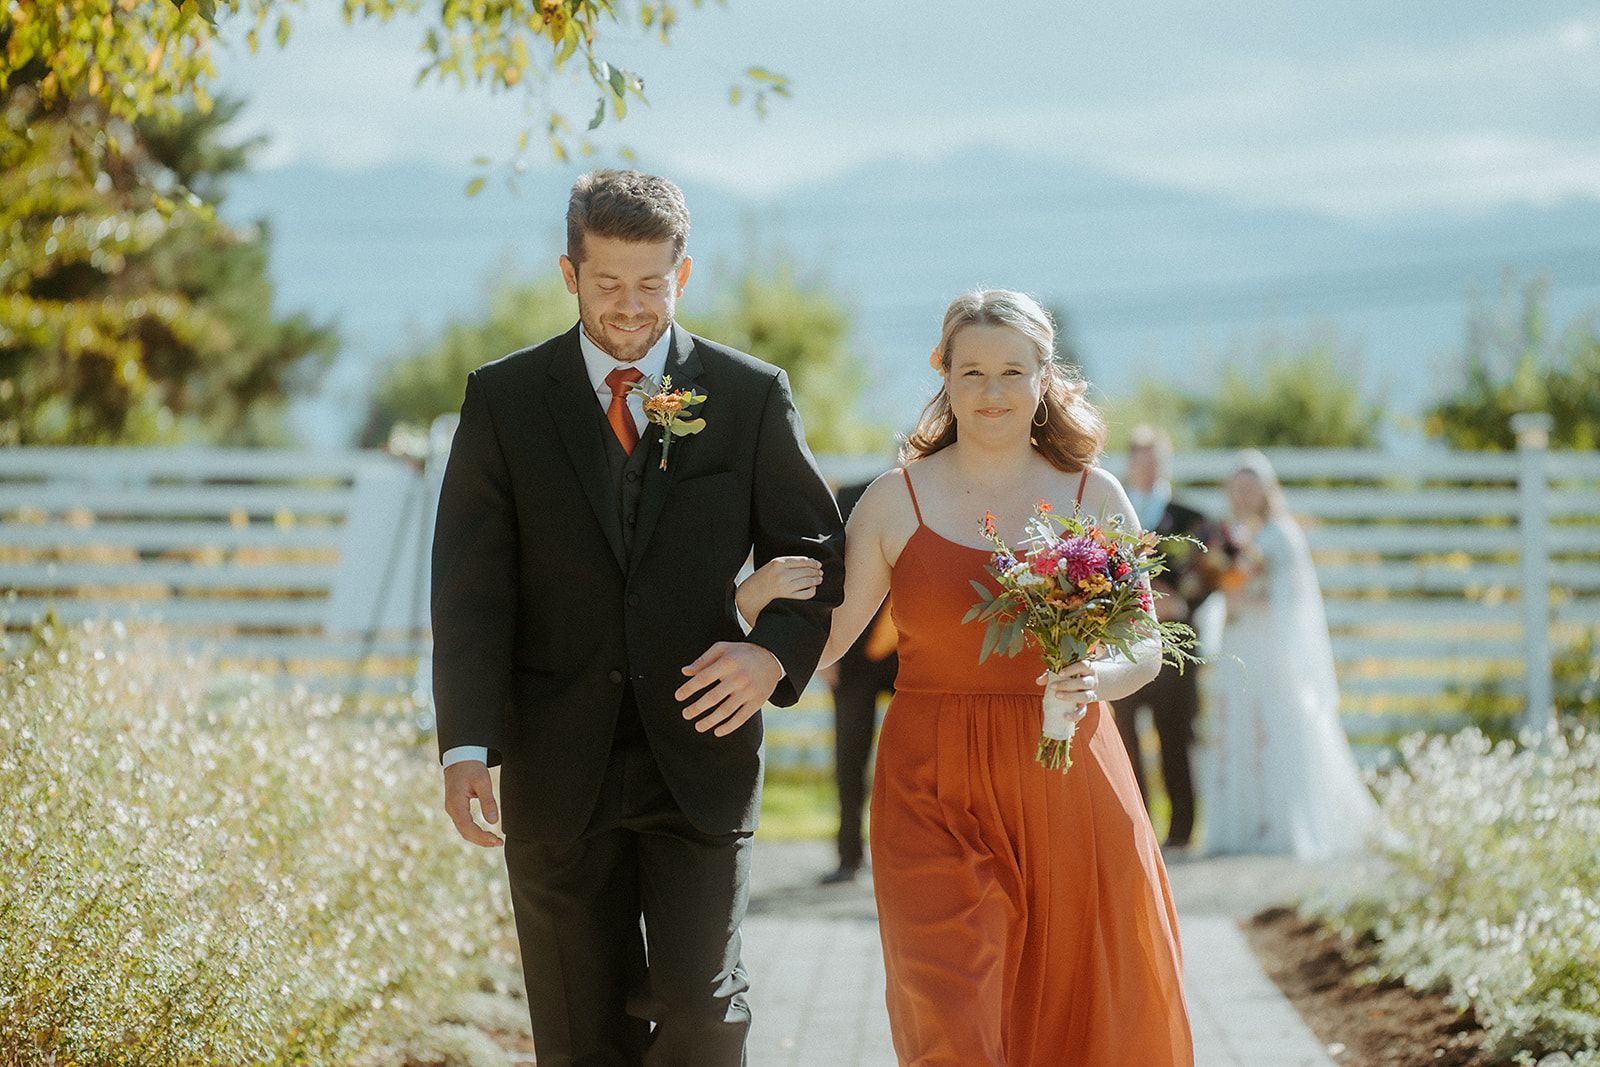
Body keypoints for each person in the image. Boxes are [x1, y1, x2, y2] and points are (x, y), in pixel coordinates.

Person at [429, 169, 845, 1066]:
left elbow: (821, 547)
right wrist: (465, 743)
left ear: (683, 276)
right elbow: (470, 589)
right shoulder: (502, 400)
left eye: (651, 282)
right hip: (553, 761)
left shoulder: (747, 394)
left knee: (703, 1006)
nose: (630, 305)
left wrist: (770, 657)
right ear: (569, 273)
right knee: (580, 1036)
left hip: (699, 751)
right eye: (608, 281)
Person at [736, 290, 1193, 1065]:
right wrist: (747, 603)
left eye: (1013, 371)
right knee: (949, 1008)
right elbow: (830, 639)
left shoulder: (1095, 494)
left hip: (1070, 777)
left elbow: (1145, 643)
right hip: (930, 784)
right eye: (972, 370)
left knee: (1075, 1008)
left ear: (1046, 379)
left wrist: (1096, 675)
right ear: (942, 374)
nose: (991, 391)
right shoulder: (894, 498)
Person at [1198, 450, 1376, 860]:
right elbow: (1218, 584)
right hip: (1237, 643)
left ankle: (1280, 824)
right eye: (1237, 487)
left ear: (1265, 490)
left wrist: (1252, 601)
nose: (1243, 495)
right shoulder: (1227, 535)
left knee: (1275, 725)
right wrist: (1227, 594)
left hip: (1272, 645)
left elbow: (1296, 599)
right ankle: (1241, 825)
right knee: (1236, 725)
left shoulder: (1281, 535)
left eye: (1251, 487)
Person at [1115, 425, 1216, 851]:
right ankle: (1134, 826)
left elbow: (1211, 574)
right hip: (1123, 640)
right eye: (1140, 456)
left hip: (1175, 644)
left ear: (1165, 462)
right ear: (1130, 461)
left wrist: (1185, 600)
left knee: (1176, 734)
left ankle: (1180, 831)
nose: (1147, 464)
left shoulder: (1191, 516)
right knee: (1124, 737)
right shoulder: (1112, 511)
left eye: (1155, 456)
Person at [824, 478, 898, 884]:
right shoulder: (853, 498)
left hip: (913, 652)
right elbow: (824, 567)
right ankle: (848, 856)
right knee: (849, 757)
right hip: (851, 654)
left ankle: (914, 853)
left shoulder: (948, 499)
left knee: (924, 760)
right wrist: (822, 653)